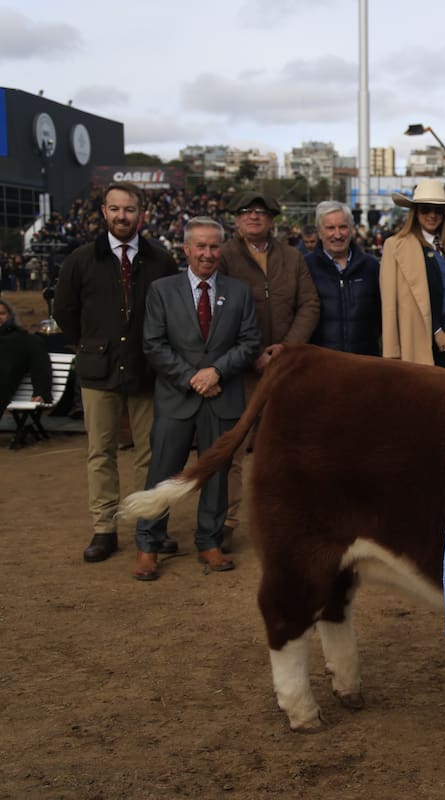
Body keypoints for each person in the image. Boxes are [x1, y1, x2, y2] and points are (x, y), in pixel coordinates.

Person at [54, 182, 178, 563]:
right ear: (103, 212)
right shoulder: (80, 259)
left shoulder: (161, 259)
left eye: (129, 209)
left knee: (150, 454)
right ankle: (104, 528)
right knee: (100, 452)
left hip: (146, 368)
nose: (121, 216)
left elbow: (173, 313)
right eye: (114, 209)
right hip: (98, 369)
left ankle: (148, 526)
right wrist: (89, 346)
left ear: (141, 213)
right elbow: (64, 311)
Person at [134, 217, 260, 581]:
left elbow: (250, 340)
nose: (207, 254)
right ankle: (148, 544)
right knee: (162, 473)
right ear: (185, 248)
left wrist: (216, 372)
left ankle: (210, 541)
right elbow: (153, 344)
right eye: (200, 246)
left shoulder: (238, 291)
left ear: (222, 249)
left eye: (214, 246)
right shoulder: (162, 290)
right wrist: (193, 378)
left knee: (217, 474)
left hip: (222, 396)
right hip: (176, 397)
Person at [219, 190, 320, 551]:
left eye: (261, 212)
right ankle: (226, 521)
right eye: (246, 212)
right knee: (233, 448)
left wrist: (285, 349)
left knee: (285, 449)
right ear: (236, 219)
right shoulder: (224, 256)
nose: (253, 217)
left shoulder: (292, 257)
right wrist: (247, 353)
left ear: (272, 218)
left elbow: (308, 304)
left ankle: (285, 521)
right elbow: (218, 309)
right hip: (238, 369)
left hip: (284, 369)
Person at [380, 178, 445, 367]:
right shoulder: (395, 246)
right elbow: (389, 305)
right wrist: (436, 331)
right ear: (415, 213)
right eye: (425, 209)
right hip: (416, 336)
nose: (432, 215)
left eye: (438, 210)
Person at [304, 201, 381, 355]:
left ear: (352, 230)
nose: (338, 235)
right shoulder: (305, 267)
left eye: (343, 227)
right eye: (330, 228)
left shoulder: (371, 267)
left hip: (364, 363)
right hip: (320, 363)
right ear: (319, 232)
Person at [0, 298, 52, 410]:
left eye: (2, 313)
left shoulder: (25, 340)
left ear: (10, 316)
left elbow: (41, 367)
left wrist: (40, 393)